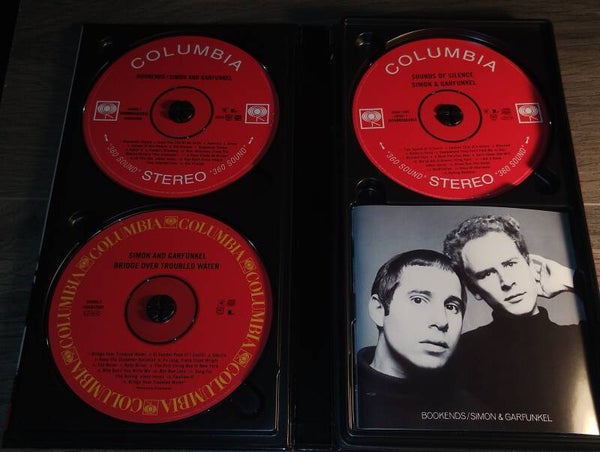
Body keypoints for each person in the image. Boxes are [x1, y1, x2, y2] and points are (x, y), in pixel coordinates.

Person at [443, 214, 599, 434]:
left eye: (510, 264)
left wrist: (572, 280)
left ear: (529, 264)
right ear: (473, 289)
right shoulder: (458, 352)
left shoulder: (579, 338)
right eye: (486, 274)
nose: (507, 282)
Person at [356, 249, 482, 429]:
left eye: (451, 307)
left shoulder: (477, 419)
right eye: (418, 300)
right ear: (379, 310)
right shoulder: (337, 398)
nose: (441, 321)